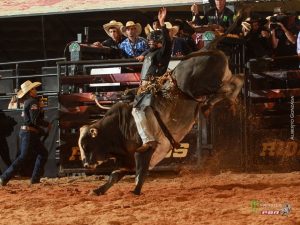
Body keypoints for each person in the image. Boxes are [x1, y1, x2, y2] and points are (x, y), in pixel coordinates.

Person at [132, 7, 172, 152]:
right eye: (150, 41)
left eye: (153, 41)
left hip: (152, 85)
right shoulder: (152, 52)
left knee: (137, 110)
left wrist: (162, 23)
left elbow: (167, 41)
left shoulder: (163, 52)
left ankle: (148, 140)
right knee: (138, 110)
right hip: (145, 86)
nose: (150, 43)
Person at [0, 80, 51, 186]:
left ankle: (35, 179)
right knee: (24, 156)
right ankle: (4, 177)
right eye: (34, 89)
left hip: (29, 133)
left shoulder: (29, 102)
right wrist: (47, 124)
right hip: (29, 133)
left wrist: (40, 110)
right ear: (30, 91)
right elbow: (35, 120)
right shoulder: (33, 102)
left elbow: (33, 119)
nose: (36, 90)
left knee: (43, 153)